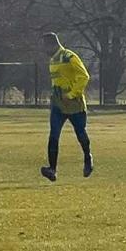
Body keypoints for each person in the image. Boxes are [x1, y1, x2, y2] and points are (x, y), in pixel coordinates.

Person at [40, 31, 93, 182]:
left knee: (80, 133)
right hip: (58, 104)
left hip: (74, 103)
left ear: (52, 44)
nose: (43, 49)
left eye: (45, 45)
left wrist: (71, 94)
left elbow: (84, 76)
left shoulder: (69, 56)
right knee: (54, 135)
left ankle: (88, 159)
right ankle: (52, 169)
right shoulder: (52, 60)